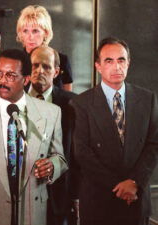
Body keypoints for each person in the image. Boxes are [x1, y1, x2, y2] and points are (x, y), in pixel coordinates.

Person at [0, 49, 68, 225]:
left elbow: (60, 157)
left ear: (26, 79)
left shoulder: (51, 113)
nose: (2, 81)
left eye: (10, 75)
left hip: (31, 211)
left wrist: (52, 166)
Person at [71, 37, 158, 225]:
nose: (116, 66)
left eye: (121, 60)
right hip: (98, 201)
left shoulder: (147, 98)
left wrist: (134, 183)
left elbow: (153, 145)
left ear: (129, 63)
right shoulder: (81, 103)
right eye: (109, 61)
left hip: (136, 199)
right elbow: (82, 153)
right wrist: (119, 187)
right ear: (98, 66)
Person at [29, 46, 79, 225]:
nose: (39, 71)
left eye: (46, 67)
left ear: (56, 71)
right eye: (35, 66)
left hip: (59, 195)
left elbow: (76, 155)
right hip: (22, 193)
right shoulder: (14, 101)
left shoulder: (72, 104)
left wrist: (75, 195)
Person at [16, 5, 73, 91]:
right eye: (25, 31)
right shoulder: (15, 61)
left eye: (35, 31)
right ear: (20, 33)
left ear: (46, 32)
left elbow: (68, 99)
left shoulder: (62, 60)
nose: (30, 37)